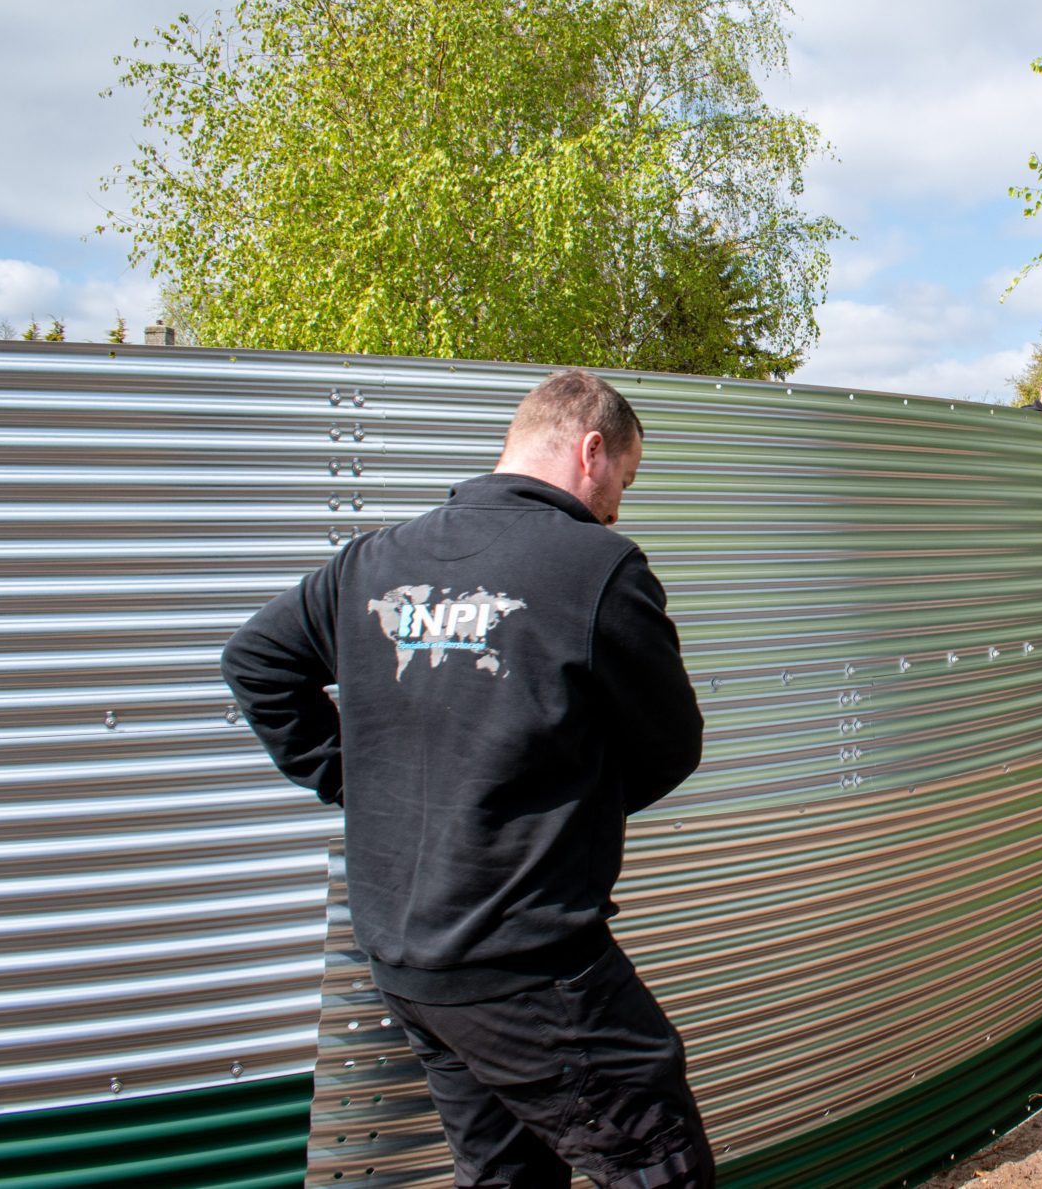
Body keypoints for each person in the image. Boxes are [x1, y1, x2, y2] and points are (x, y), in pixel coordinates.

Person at [222, 369, 712, 1188]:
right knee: (657, 1158)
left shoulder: (374, 559)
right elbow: (672, 746)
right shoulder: (598, 566)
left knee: (504, 1175)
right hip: (527, 963)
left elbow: (257, 663)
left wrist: (353, 781)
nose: (619, 506)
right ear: (591, 449)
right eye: (623, 481)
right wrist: (552, 809)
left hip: (409, 963)